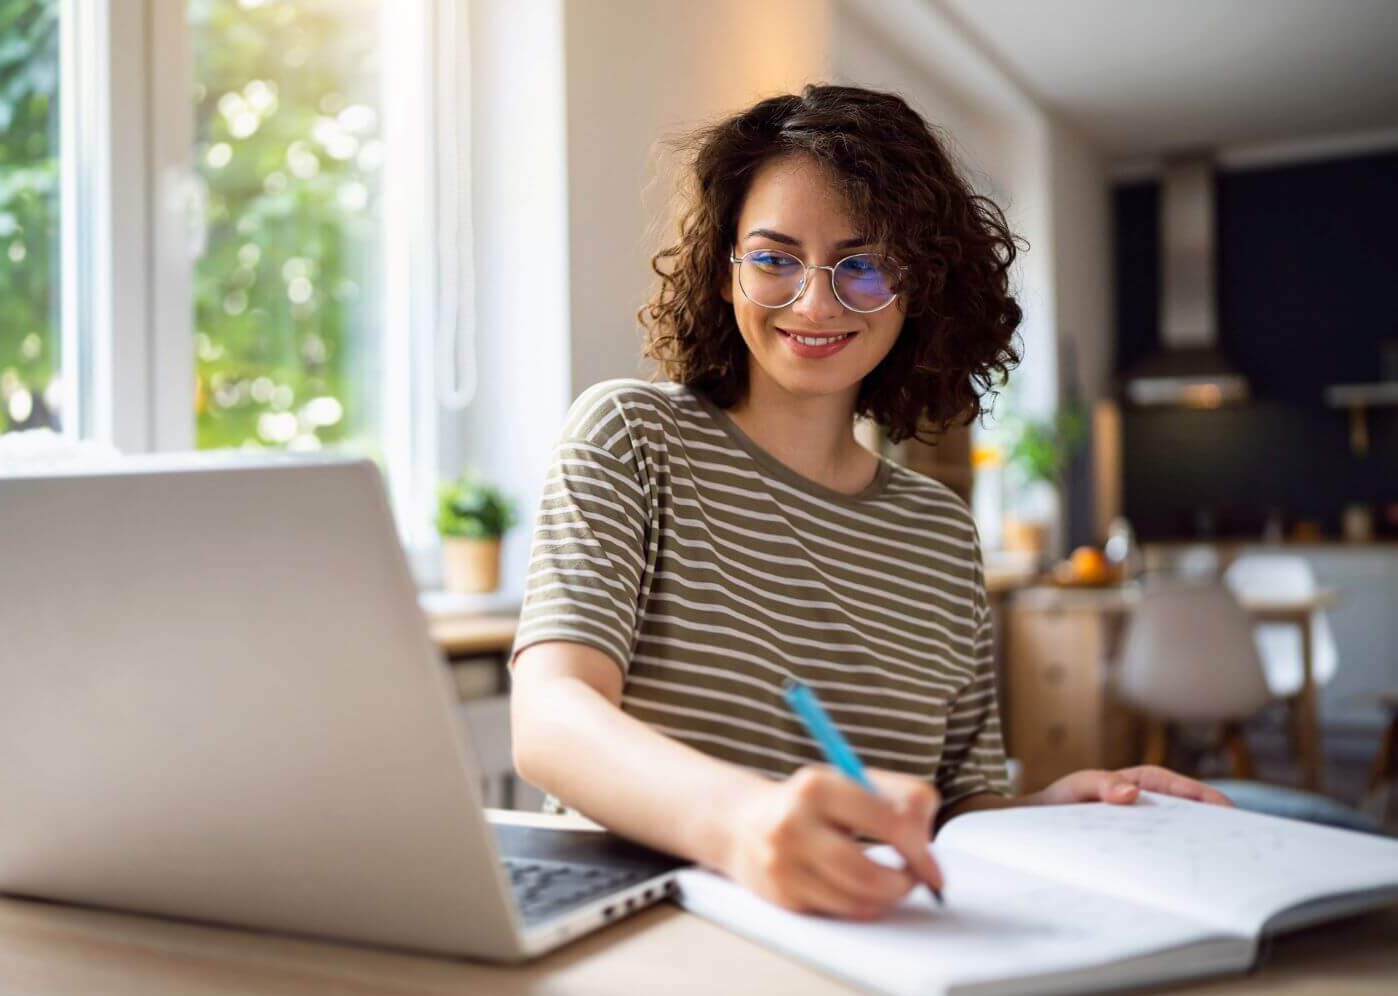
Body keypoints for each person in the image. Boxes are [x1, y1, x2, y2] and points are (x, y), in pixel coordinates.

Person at [508, 84, 1228, 920]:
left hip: (867, 939)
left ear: (920, 285)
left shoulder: (939, 533)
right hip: (644, 928)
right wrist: (742, 823)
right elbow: (553, 718)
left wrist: (1054, 815)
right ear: (724, 267)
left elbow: (959, 808)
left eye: (864, 264)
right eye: (775, 257)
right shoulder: (631, 435)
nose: (815, 302)